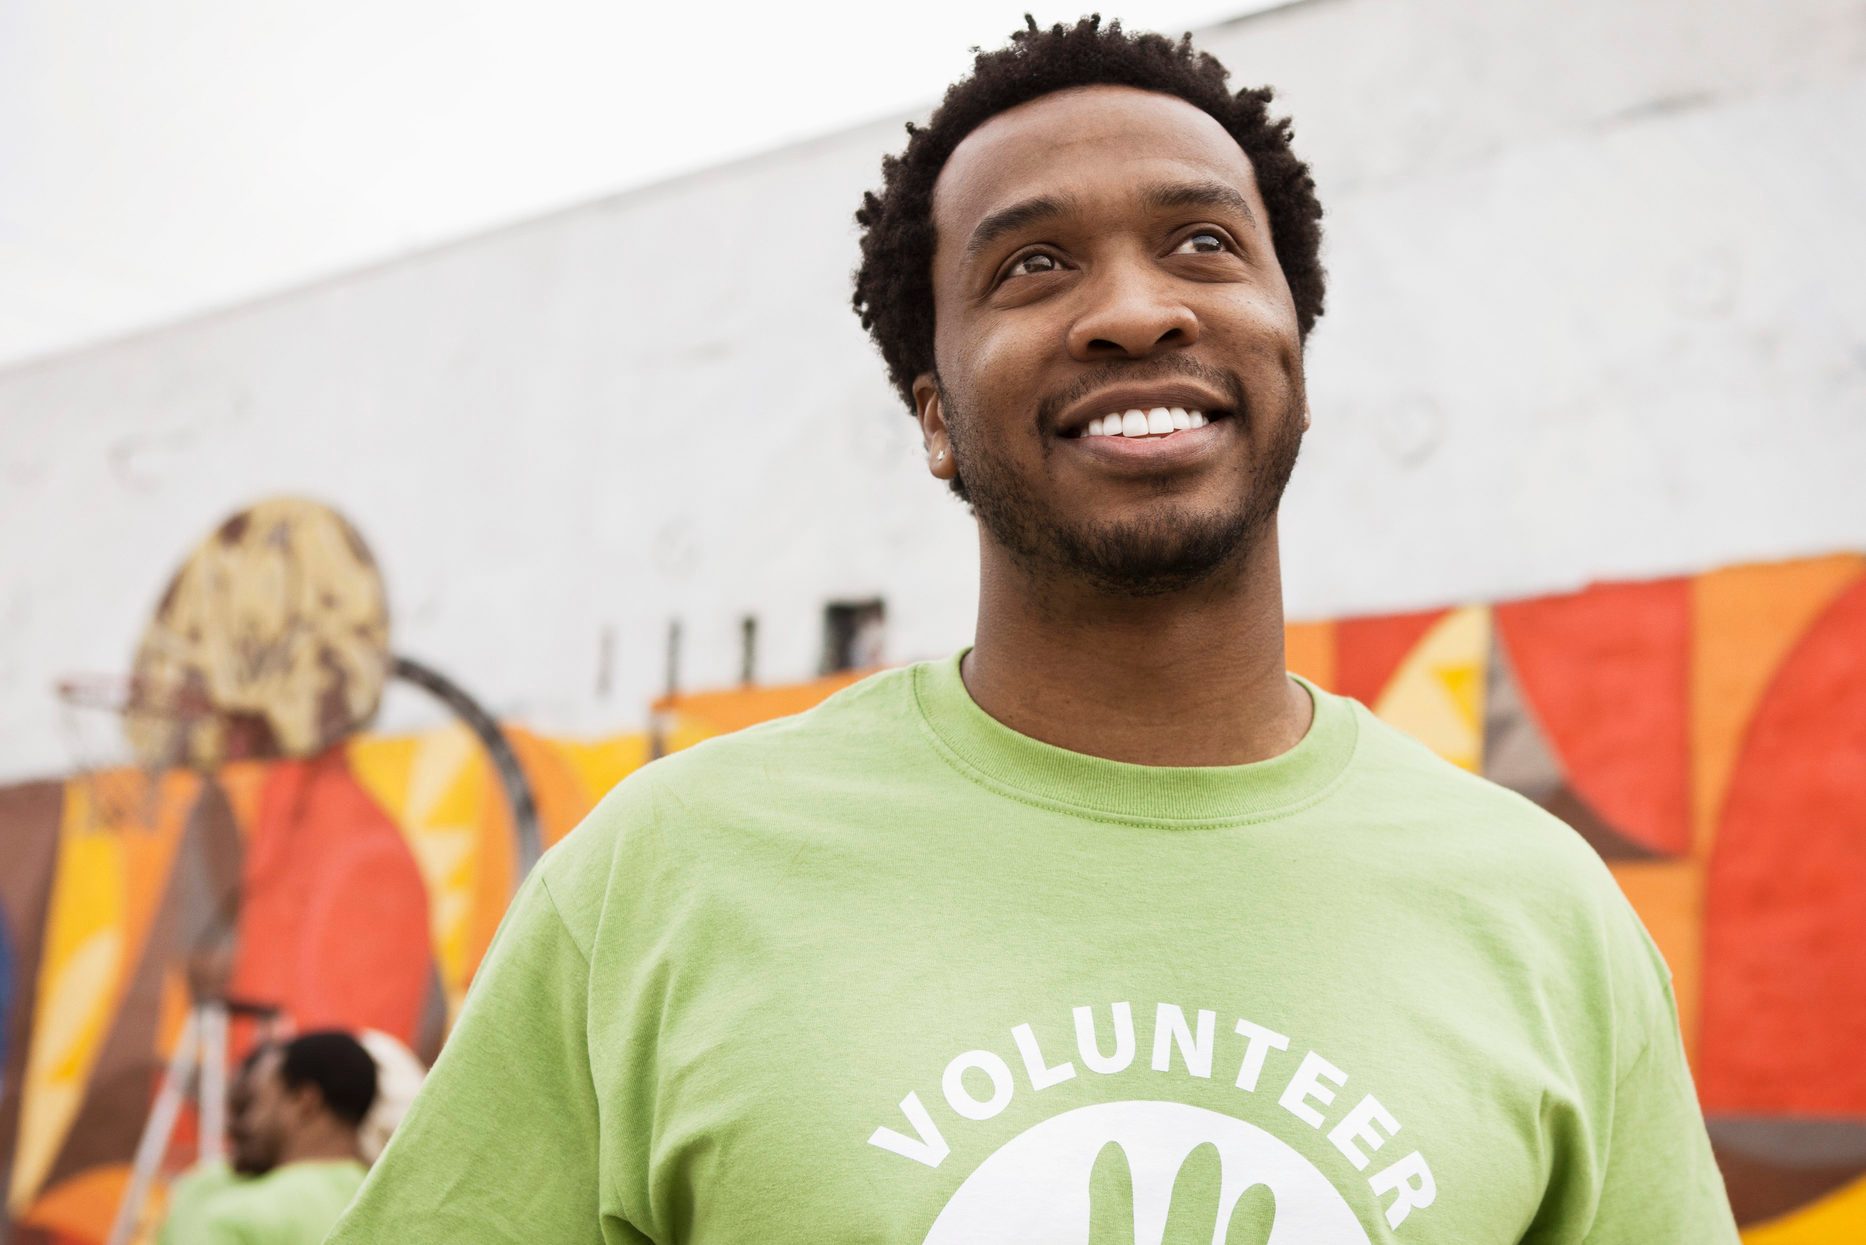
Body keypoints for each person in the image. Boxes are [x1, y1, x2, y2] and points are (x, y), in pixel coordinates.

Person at [329, 17, 1737, 1242]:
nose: (1133, 312)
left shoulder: (1544, 917)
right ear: (935, 416)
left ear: (1294, 351)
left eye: (1202, 243)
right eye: (1033, 266)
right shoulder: (665, 877)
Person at [183, 1031, 375, 1243]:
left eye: (257, 1102)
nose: (247, 1122)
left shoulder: (238, 1218)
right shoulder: (386, 1209)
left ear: (304, 1102)